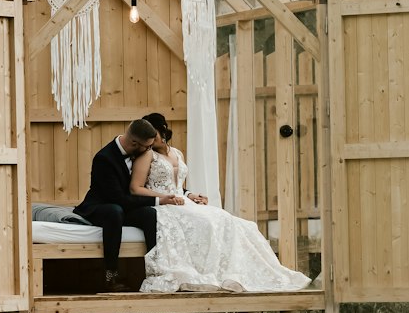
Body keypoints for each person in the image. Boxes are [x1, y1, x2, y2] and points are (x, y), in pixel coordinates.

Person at [130, 116, 312, 294]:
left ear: (163, 131)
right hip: (164, 205)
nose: (152, 141)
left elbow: (176, 184)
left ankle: (234, 272)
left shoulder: (177, 153)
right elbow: (135, 188)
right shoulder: (147, 155)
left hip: (183, 201)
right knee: (208, 223)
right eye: (149, 137)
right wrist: (164, 197)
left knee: (227, 219)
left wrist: (191, 194)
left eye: (155, 135)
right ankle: (208, 272)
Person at [73, 118, 185, 293]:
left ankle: (156, 271)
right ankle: (110, 275)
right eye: (147, 147)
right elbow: (119, 199)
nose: (150, 150)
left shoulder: (138, 153)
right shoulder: (105, 159)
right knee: (114, 212)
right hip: (101, 206)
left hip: (125, 205)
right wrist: (159, 200)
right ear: (134, 143)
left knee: (150, 214)